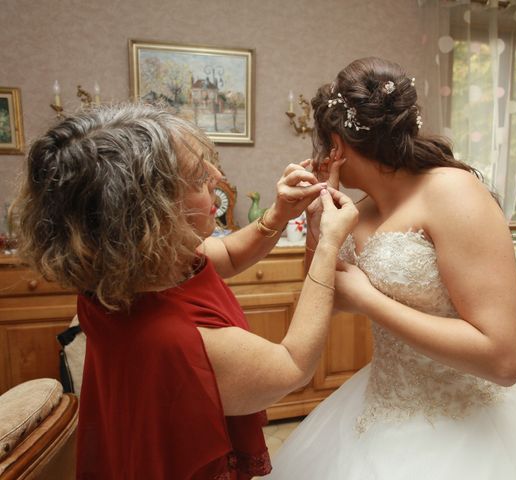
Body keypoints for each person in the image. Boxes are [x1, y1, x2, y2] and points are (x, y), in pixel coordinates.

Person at [265, 57, 516, 479]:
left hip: (464, 419)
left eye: (323, 145)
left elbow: (504, 360)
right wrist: (318, 222)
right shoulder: (360, 210)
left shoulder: (454, 193)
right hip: (383, 400)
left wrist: (370, 301)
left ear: (336, 144)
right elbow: (329, 297)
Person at [11, 103, 358, 479]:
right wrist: (326, 244)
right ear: (147, 213)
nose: (217, 176)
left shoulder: (123, 272)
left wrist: (277, 215)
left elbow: (224, 253)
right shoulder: (177, 340)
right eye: (195, 178)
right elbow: (293, 365)